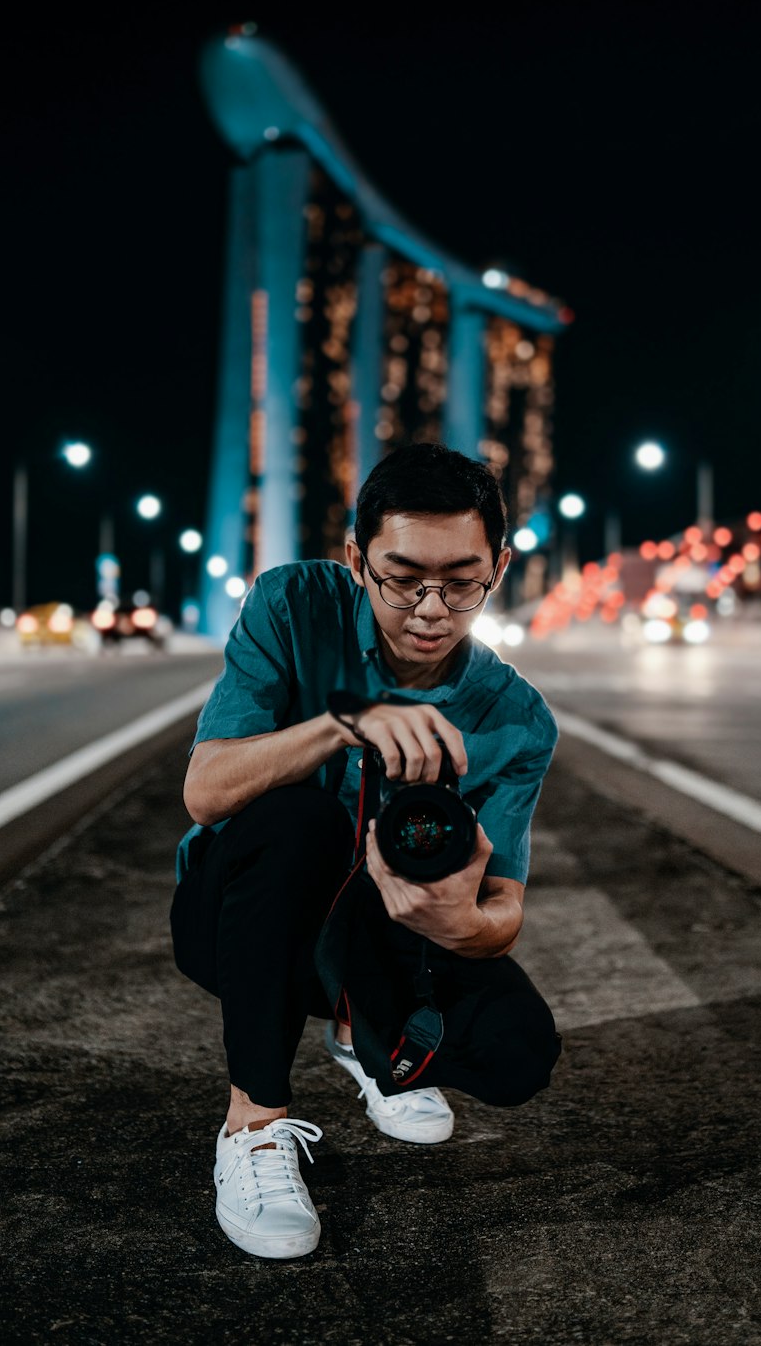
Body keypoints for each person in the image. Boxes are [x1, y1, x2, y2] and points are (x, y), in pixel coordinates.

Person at [171, 442, 561, 1260]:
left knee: (519, 1051)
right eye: (401, 577)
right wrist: (340, 724)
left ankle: (366, 1031)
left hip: (385, 934)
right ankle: (254, 1125)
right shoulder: (292, 604)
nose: (429, 609)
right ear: (356, 559)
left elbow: (505, 917)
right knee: (298, 824)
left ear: (499, 564)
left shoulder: (515, 718)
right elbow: (205, 792)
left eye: (462, 582)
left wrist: (457, 919)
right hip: (239, 919)